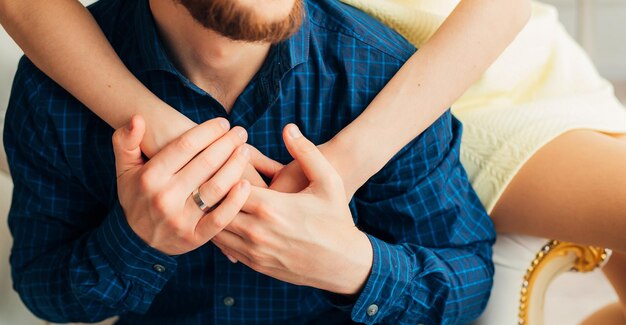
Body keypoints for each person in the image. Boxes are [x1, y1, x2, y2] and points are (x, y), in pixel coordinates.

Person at [3, 0, 496, 324]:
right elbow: (40, 286)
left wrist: (354, 268)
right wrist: (134, 241)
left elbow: (469, 279)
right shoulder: (52, 90)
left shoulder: (377, 76)